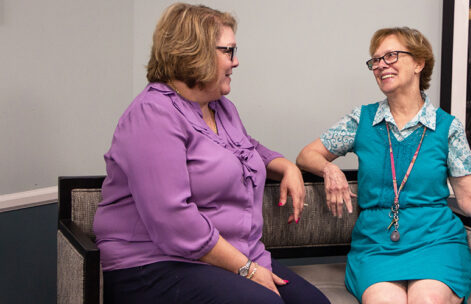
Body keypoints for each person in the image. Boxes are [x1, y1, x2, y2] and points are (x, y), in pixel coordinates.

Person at [92, 3, 329, 304]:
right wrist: (246, 269)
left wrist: (286, 167)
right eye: (228, 51)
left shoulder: (220, 108)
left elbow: (248, 148)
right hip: (154, 264)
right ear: (195, 52)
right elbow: (174, 221)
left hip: (227, 257)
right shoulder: (152, 115)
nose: (237, 61)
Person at [296, 27, 471, 303]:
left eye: (390, 56)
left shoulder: (447, 128)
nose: (380, 65)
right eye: (375, 60)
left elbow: (469, 196)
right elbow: (307, 155)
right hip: (377, 244)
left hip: (435, 243)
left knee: (427, 299)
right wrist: (329, 169)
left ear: (419, 63)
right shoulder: (362, 120)